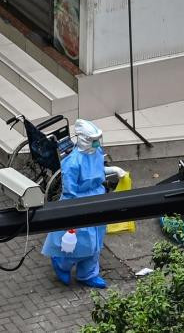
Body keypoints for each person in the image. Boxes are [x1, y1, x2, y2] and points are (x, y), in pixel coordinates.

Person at [42, 119, 109, 288]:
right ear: (82, 138)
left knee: (96, 240)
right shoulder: (72, 163)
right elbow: (70, 192)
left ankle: (88, 274)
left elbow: (99, 172)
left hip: (97, 199)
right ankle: (61, 262)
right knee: (79, 242)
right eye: (92, 140)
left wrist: (114, 171)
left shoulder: (97, 152)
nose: (95, 143)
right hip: (79, 202)